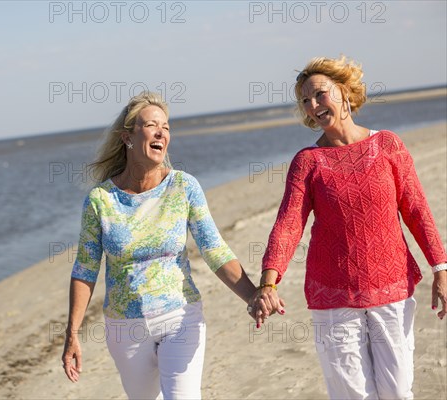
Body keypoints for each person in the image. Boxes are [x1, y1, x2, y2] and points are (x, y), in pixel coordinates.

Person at [253, 56, 447, 399]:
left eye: (320, 95)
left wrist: (440, 268)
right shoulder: (308, 162)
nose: (313, 106)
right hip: (333, 296)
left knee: (399, 392)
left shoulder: (387, 145)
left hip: (392, 287)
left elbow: (417, 210)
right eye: (305, 101)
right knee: (352, 395)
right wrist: (269, 281)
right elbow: (288, 224)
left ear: (343, 92)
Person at [62, 91, 262, 399]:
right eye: (152, 125)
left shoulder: (183, 187)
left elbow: (214, 249)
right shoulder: (100, 200)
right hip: (125, 328)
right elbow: (85, 269)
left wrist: (253, 296)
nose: (161, 133)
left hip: (180, 316)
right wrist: (72, 334)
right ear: (127, 137)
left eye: (166, 127)